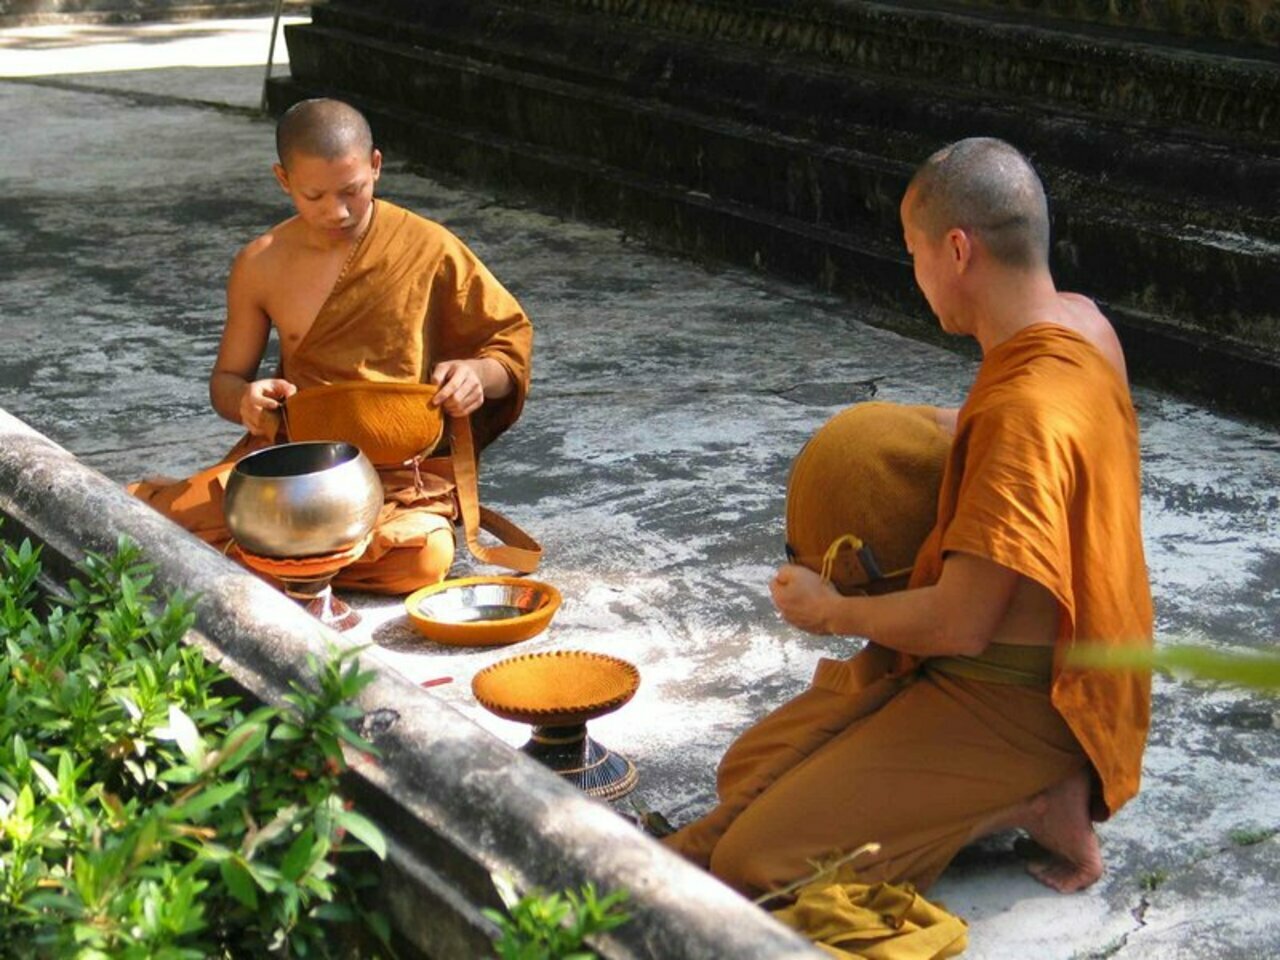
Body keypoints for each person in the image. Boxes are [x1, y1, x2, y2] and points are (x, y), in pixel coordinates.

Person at [664, 137, 1153, 900]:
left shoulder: (1023, 410)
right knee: (750, 771)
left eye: (914, 253)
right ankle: (1025, 795)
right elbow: (1033, 448)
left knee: (757, 863)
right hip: (1029, 663)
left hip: (1024, 697)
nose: (916, 274)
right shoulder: (1081, 326)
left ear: (957, 250)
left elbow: (960, 624)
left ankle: (1029, 796)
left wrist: (830, 613)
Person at [130, 98, 532, 593]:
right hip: (296, 469)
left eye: (352, 191)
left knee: (421, 562)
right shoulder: (261, 263)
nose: (336, 211)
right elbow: (226, 380)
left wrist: (476, 375)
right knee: (146, 529)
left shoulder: (428, 246)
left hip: (401, 475)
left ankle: (278, 559)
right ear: (283, 180)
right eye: (314, 195)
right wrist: (244, 401)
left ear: (376, 167)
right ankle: (293, 554)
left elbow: (506, 346)